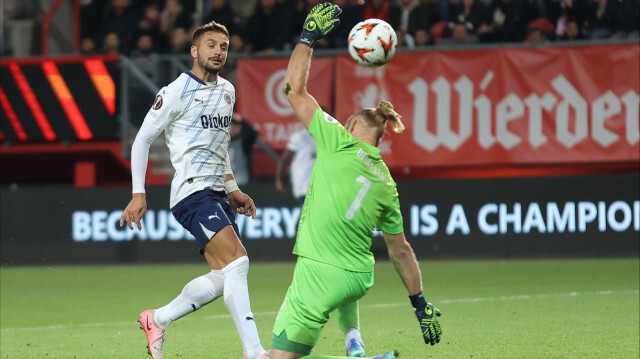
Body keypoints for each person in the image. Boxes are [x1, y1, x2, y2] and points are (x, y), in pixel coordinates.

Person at [270, 3, 443, 359]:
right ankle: (354, 341)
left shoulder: (338, 140)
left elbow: (293, 90)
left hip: (320, 271)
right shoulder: (386, 181)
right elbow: (400, 250)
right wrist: (419, 303)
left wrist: (307, 38)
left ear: (350, 126)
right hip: (358, 278)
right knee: (341, 291)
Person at [119, 21, 268, 359]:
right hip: (192, 192)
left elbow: (221, 145)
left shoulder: (228, 91)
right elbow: (142, 140)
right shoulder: (175, 91)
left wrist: (233, 189)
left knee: (223, 275)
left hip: (217, 193)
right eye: (211, 45)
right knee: (239, 262)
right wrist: (138, 192)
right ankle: (254, 351)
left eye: (224, 46)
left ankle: (157, 319)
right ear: (194, 51)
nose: (218, 51)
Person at [275, 128, 316, 206]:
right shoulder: (300, 137)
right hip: (305, 187)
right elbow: (286, 158)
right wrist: (279, 179)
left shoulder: (331, 135)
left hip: (323, 187)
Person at [228, 113, 258, 186]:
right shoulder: (219, 142)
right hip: (225, 185)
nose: (233, 128)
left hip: (242, 183)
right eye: (231, 126)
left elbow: (253, 132)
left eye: (236, 126)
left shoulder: (244, 142)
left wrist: (240, 119)